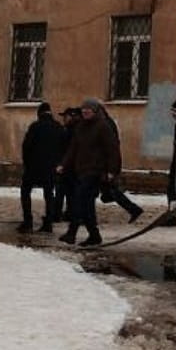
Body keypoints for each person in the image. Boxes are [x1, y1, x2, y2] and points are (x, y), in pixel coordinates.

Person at [57, 97, 121, 247]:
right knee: (86, 205)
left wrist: (112, 170)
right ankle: (94, 235)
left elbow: (112, 149)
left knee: (79, 199)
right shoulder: (81, 126)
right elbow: (73, 148)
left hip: (95, 170)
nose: (85, 112)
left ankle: (71, 233)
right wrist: (63, 164)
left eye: (89, 109)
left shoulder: (103, 126)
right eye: (84, 109)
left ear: (95, 111)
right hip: (82, 169)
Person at [17, 102, 66, 233]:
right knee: (49, 194)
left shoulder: (35, 126)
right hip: (51, 167)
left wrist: (27, 163)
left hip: (33, 166)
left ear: (39, 113)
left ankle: (28, 221)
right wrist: (59, 163)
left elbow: (26, 146)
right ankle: (48, 222)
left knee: (25, 191)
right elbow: (64, 148)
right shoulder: (59, 127)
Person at [95, 108, 145, 224]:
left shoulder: (105, 125)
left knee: (107, 189)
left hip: (105, 163)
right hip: (105, 163)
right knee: (108, 190)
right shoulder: (107, 123)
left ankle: (134, 209)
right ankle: (133, 209)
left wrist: (110, 168)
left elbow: (110, 147)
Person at [53, 106, 81, 229]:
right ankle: (69, 213)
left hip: (67, 166)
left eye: (66, 116)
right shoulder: (73, 129)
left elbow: (67, 149)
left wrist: (61, 163)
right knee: (70, 192)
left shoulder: (71, 130)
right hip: (71, 166)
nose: (64, 119)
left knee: (61, 191)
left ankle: (57, 214)